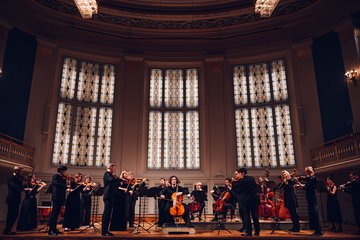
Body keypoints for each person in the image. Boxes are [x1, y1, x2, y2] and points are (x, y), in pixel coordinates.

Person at [232, 167, 260, 236]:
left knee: (247, 217)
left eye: (239, 173)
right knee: (255, 216)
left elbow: (238, 191)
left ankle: (249, 233)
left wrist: (233, 184)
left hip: (246, 202)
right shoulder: (252, 178)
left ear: (242, 173)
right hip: (254, 201)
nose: (238, 175)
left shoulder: (241, 181)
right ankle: (257, 232)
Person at [296, 166, 323, 236]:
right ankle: (318, 230)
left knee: (315, 214)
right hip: (310, 198)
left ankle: (319, 231)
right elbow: (305, 183)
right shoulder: (310, 178)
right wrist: (300, 182)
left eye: (306, 172)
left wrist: (298, 183)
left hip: (312, 198)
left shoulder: (312, 178)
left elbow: (304, 187)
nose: (305, 174)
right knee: (314, 214)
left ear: (308, 172)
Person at [3, 165, 24, 235]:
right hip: (12, 199)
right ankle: (7, 230)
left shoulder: (18, 178)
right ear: (15, 171)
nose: (20, 172)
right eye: (18, 171)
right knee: (10, 215)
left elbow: (21, 185)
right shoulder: (11, 178)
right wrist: (15, 175)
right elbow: (13, 186)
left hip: (17, 199)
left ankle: (9, 229)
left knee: (15, 215)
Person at [48, 165, 68, 236]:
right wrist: (65, 186)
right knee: (54, 214)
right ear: (61, 171)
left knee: (57, 214)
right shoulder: (56, 176)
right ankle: (50, 230)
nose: (66, 172)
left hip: (60, 197)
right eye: (65, 171)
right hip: (56, 197)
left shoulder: (62, 177)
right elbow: (55, 183)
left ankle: (54, 229)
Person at [101, 163, 119, 236]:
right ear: (110, 168)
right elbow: (111, 180)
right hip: (108, 197)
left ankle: (106, 230)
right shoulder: (107, 174)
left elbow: (114, 184)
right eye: (114, 168)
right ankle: (104, 231)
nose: (114, 170)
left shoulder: (111, 175)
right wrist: (120, 179)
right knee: (106, 214)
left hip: (111, 197)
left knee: (108, 215)